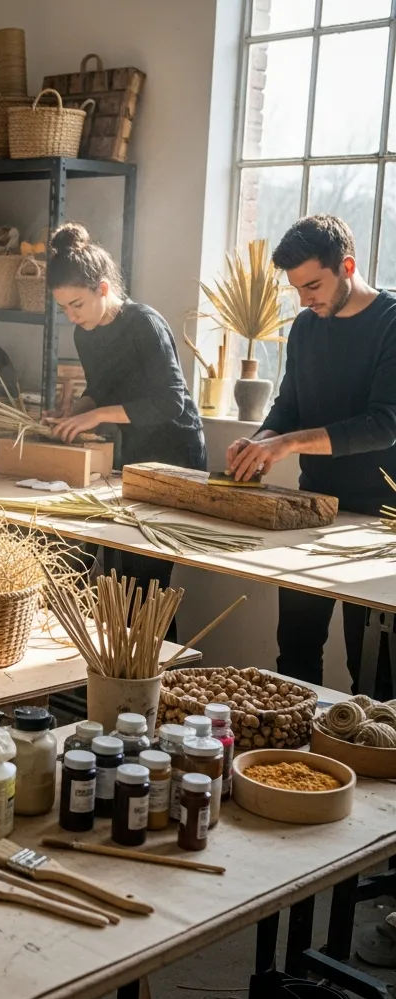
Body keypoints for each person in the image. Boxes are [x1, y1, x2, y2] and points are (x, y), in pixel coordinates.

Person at [226, 214, 396, 696]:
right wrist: (261, 438)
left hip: (378, 520)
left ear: (347, 265)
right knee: (295, 655)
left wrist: (288, 443)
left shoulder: (391, 323)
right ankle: (291, 765)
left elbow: (385, 424)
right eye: (298, 289)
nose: (305, 299)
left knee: (374, 669)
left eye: (314, 285)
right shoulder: (305, 327)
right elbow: (290, 405)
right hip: (311, 510)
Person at [45, 223, 207, 630]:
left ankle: (157, 679)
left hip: (176, 455)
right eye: (63, 308)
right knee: (125, 580)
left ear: (102, 288)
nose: (71, 316)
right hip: (136, 451)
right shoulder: (86, 334)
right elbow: (100, 389)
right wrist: (72, 415)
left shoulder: (145, 324)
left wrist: (96, 416)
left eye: (77, 304)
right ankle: (126, 675)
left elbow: (171, 402)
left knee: (149, 588)